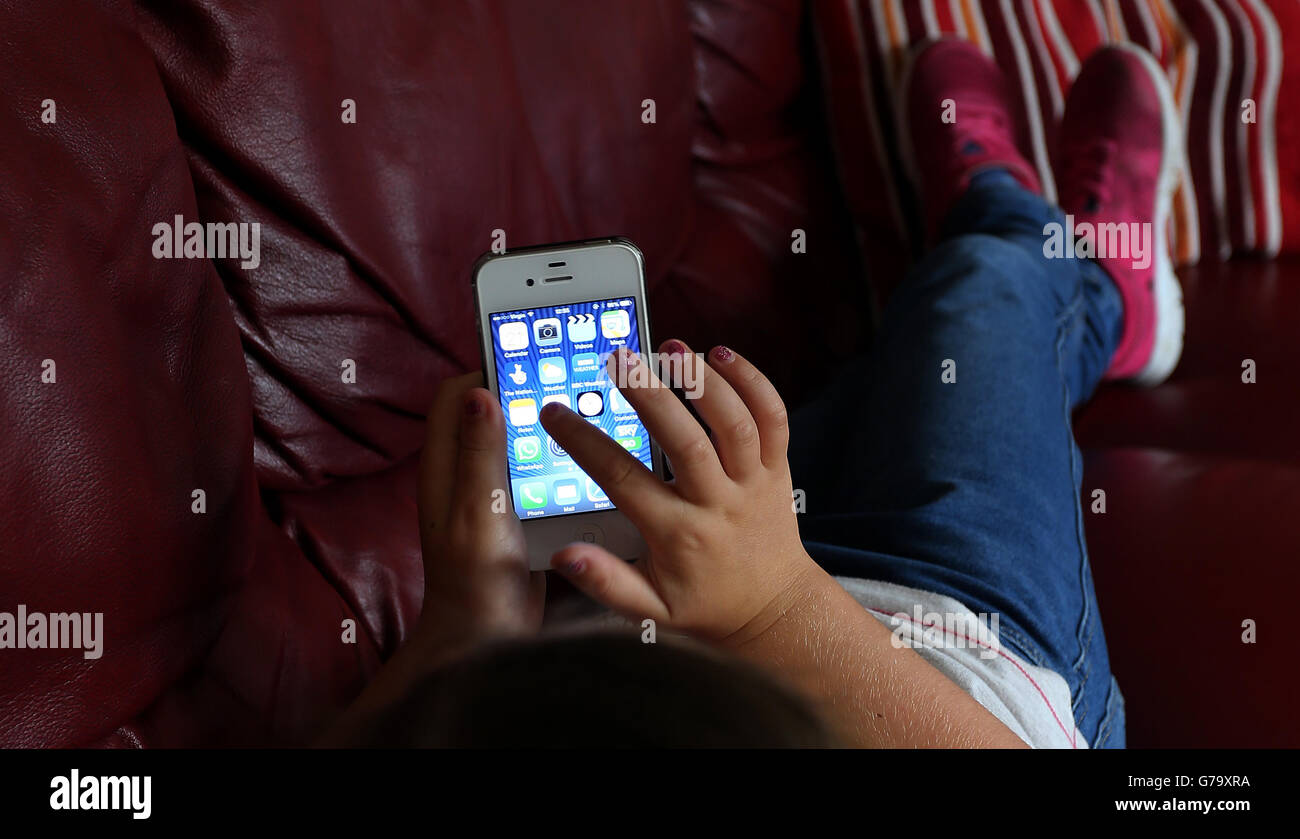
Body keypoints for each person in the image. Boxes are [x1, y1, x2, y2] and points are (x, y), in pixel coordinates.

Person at [325, 40, 1182, 749]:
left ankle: (1007, 233)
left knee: (889, 367)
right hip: (942, 649)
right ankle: (1080, 262)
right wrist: (775, 604)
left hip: (693, 567)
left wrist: (462, 636)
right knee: (983, 286)